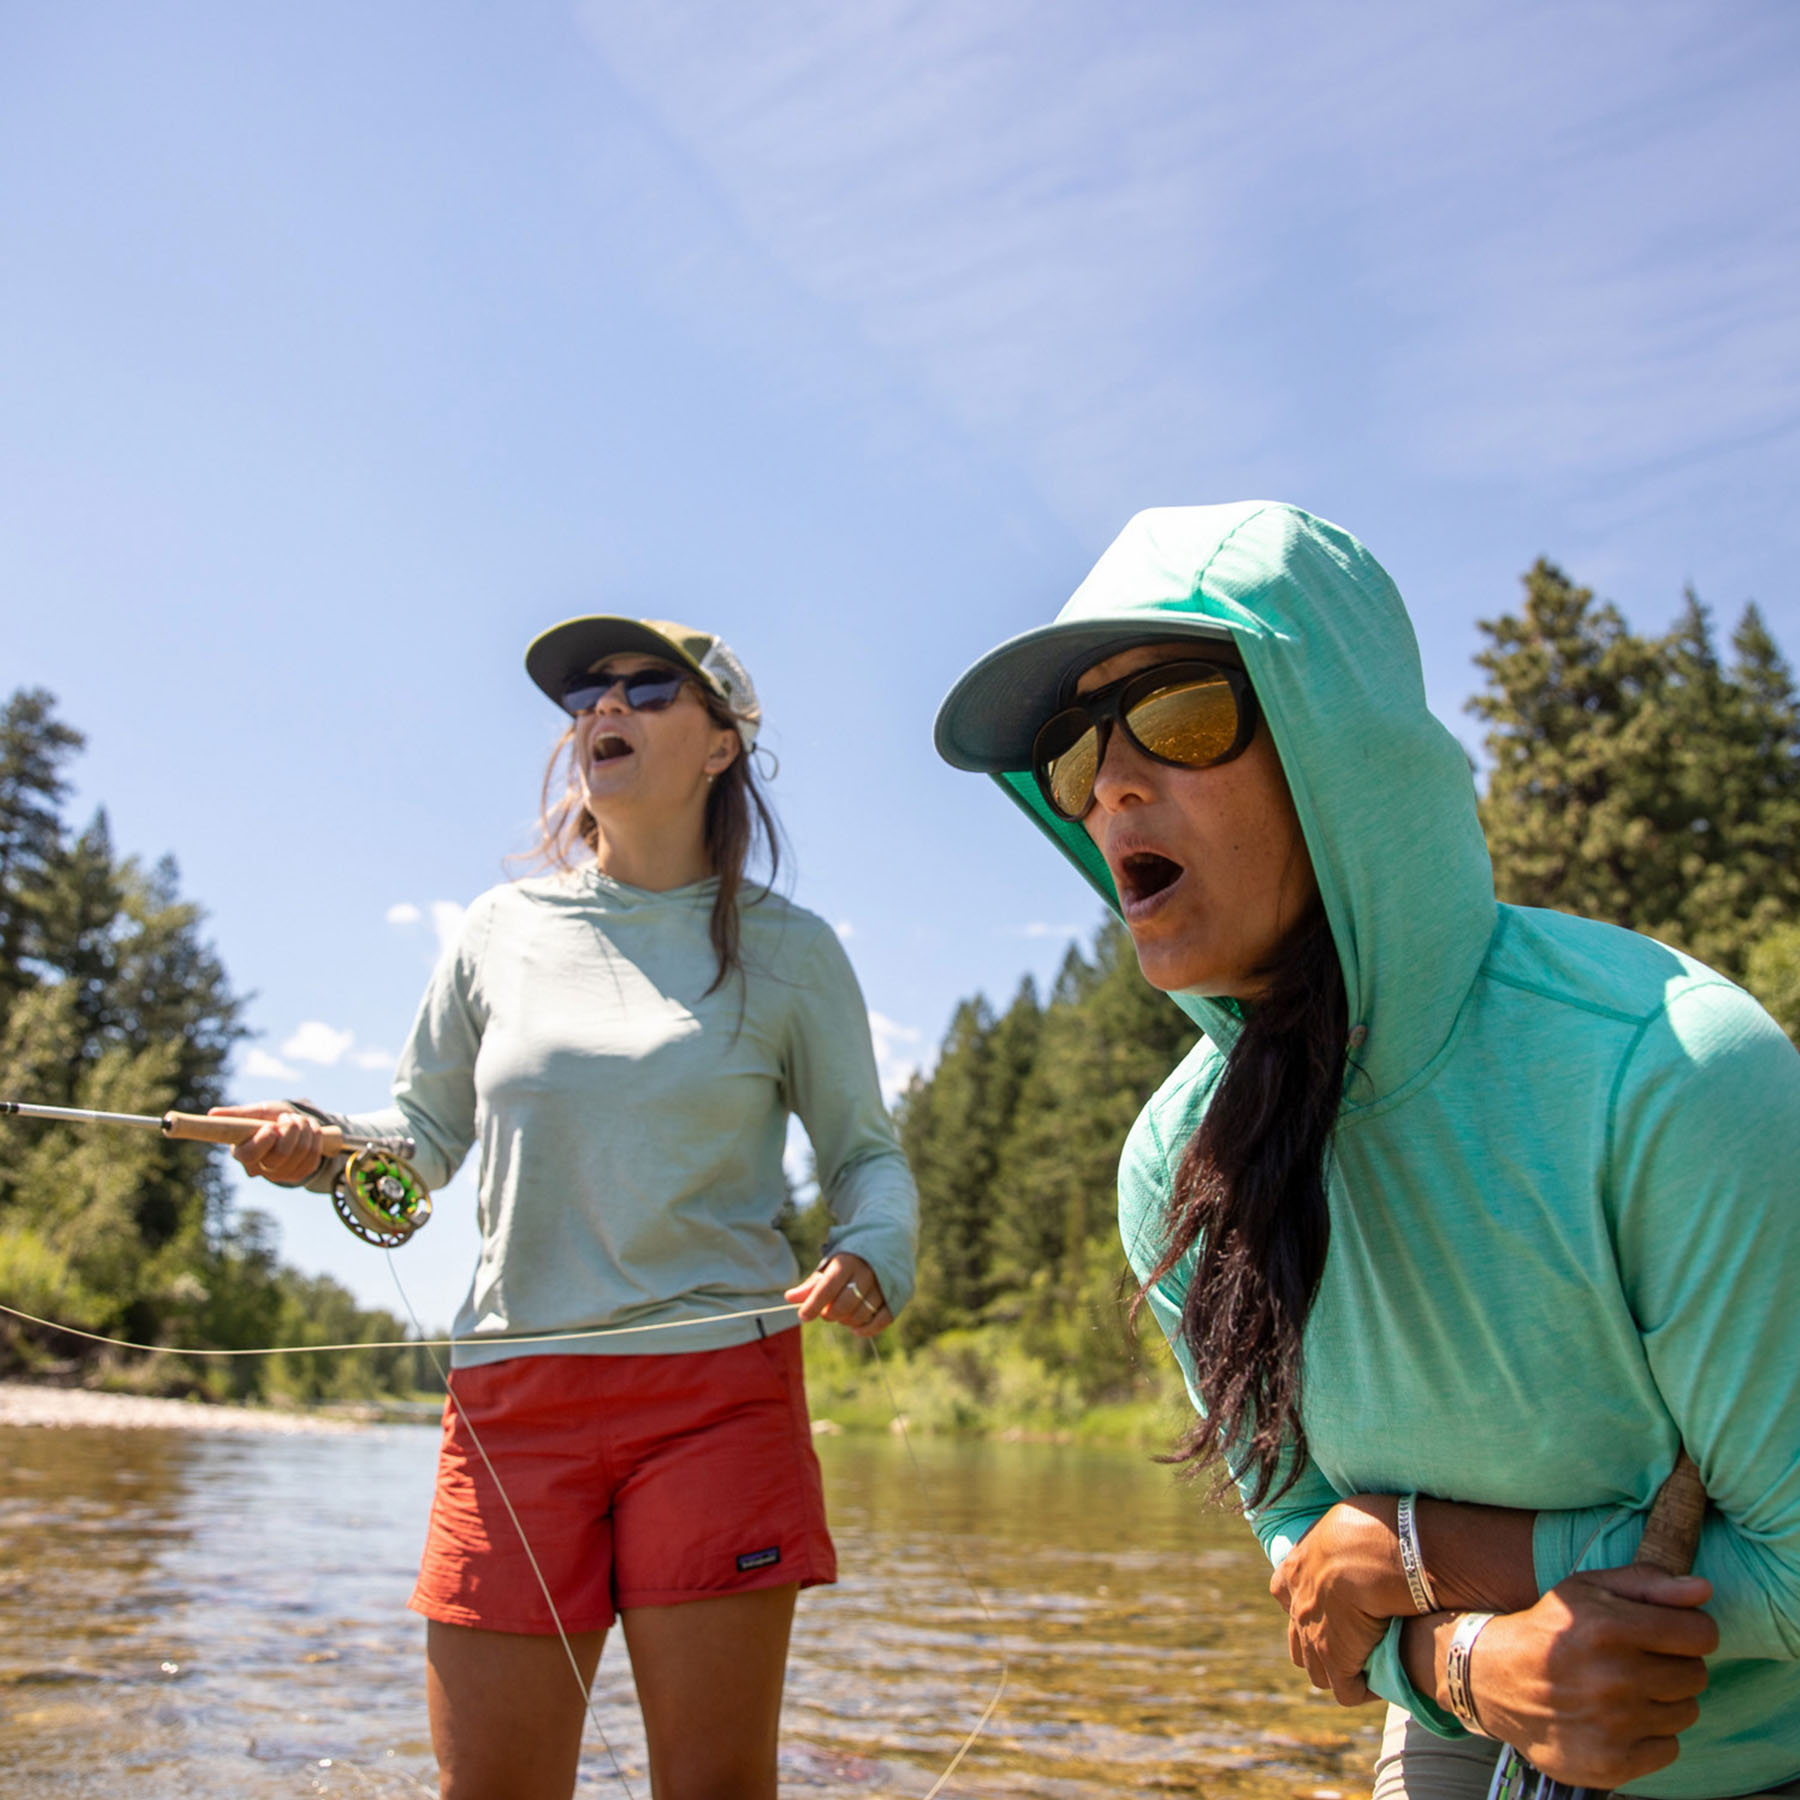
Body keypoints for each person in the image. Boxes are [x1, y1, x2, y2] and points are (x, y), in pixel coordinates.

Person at [934, 503, 1800, 1799]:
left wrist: (1412, 1548)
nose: (1109, 785)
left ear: (1340, 742)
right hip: (1458, 1715)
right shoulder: (1178, 1165)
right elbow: (1306, 1563)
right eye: (1073, 752)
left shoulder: (1668, 1071)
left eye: (1178, 713)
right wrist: (1464, 1663)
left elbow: (1793, 1570)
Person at [221, 616, 918, 1800]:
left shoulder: (794, 953)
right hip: (513, 1399)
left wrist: (873, 1250)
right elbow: (423, 1140)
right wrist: (324, 1148)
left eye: (647, 689)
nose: (605, 709)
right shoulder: (497, 932)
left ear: (722, 745)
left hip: (717, 1398)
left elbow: (866, 1156)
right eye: (588, 696)